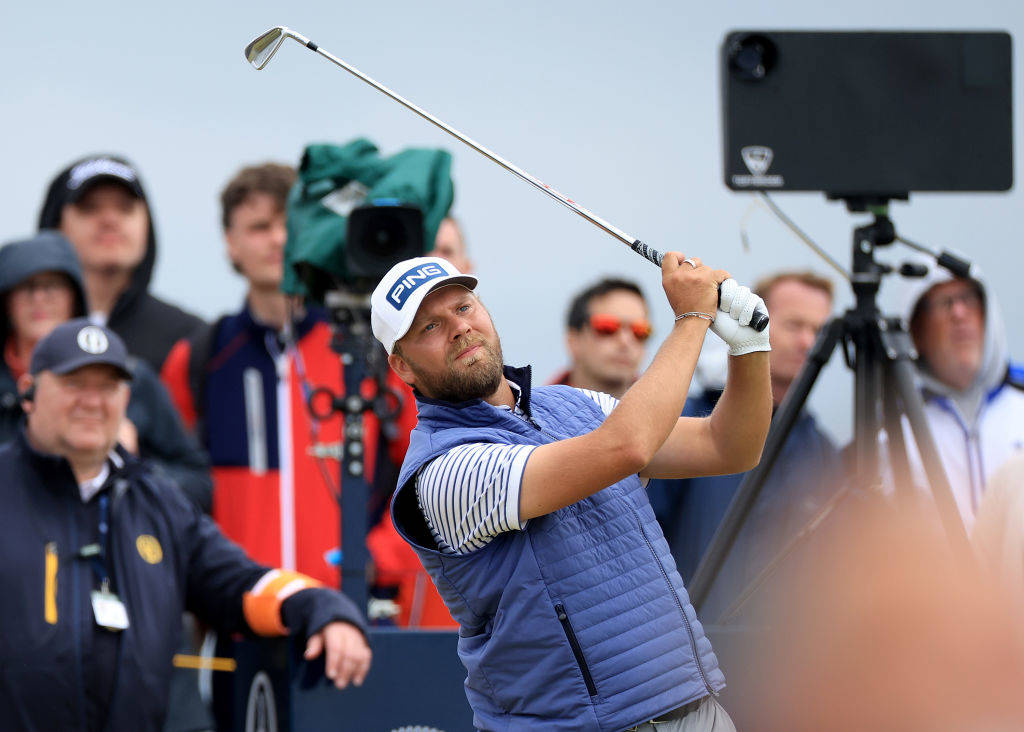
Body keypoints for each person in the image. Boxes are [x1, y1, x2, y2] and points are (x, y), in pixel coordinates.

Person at [372, 254, 773, 730]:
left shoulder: (572, 404)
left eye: (463, 307)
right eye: (429, 328)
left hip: (693, 704)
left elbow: (727, 447)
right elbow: (626, 447)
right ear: (403, 368)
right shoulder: (439, 472)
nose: (458, 328)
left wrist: (750, 349)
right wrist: (691, 319)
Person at [0, 319, 370, 731]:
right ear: (29, 392)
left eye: (107, 386)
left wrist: (319, 606)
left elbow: (239, 585)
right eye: (74, 383)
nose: (92, 401)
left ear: (126, 398)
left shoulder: (156, 501)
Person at [159, 164, 451, 630]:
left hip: (353, 613)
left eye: (288, 225)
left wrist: (378, 555)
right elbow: (175, 489)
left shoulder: (369, 352)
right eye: (259, 227)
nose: (277, 239)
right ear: (230, 243)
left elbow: (433, 471)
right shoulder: (199, 357)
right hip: (242, 616)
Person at [650, 271, 840, 587]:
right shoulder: (689, 422)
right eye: (795, 325)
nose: (807, 342)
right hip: (690, 629)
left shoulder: (822, 451)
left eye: (818, 331)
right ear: (756, 320)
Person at [0, 231, 212, 512]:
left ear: (75, 296)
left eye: (53, 286)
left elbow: (200, 483)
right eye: (26, 287)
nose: (39, 298)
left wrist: (129, 467)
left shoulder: (130, 377)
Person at [37, 154, 205, 373]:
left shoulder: (190, 341)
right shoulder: (22, 328)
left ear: (147, 226)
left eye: (125, 208)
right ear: (55, 226)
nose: (109, 220)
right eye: (90, 208)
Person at [902, 262, 1024, 530]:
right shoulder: (895, 430)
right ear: (916, 332)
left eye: (968, 299)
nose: (959, 313)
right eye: (944, 303)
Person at [548, 277, 650, 397]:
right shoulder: (528, 412)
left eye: (639, 331)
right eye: (607, 328)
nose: (626, 341)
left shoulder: (671, 413)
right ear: (573, 341)